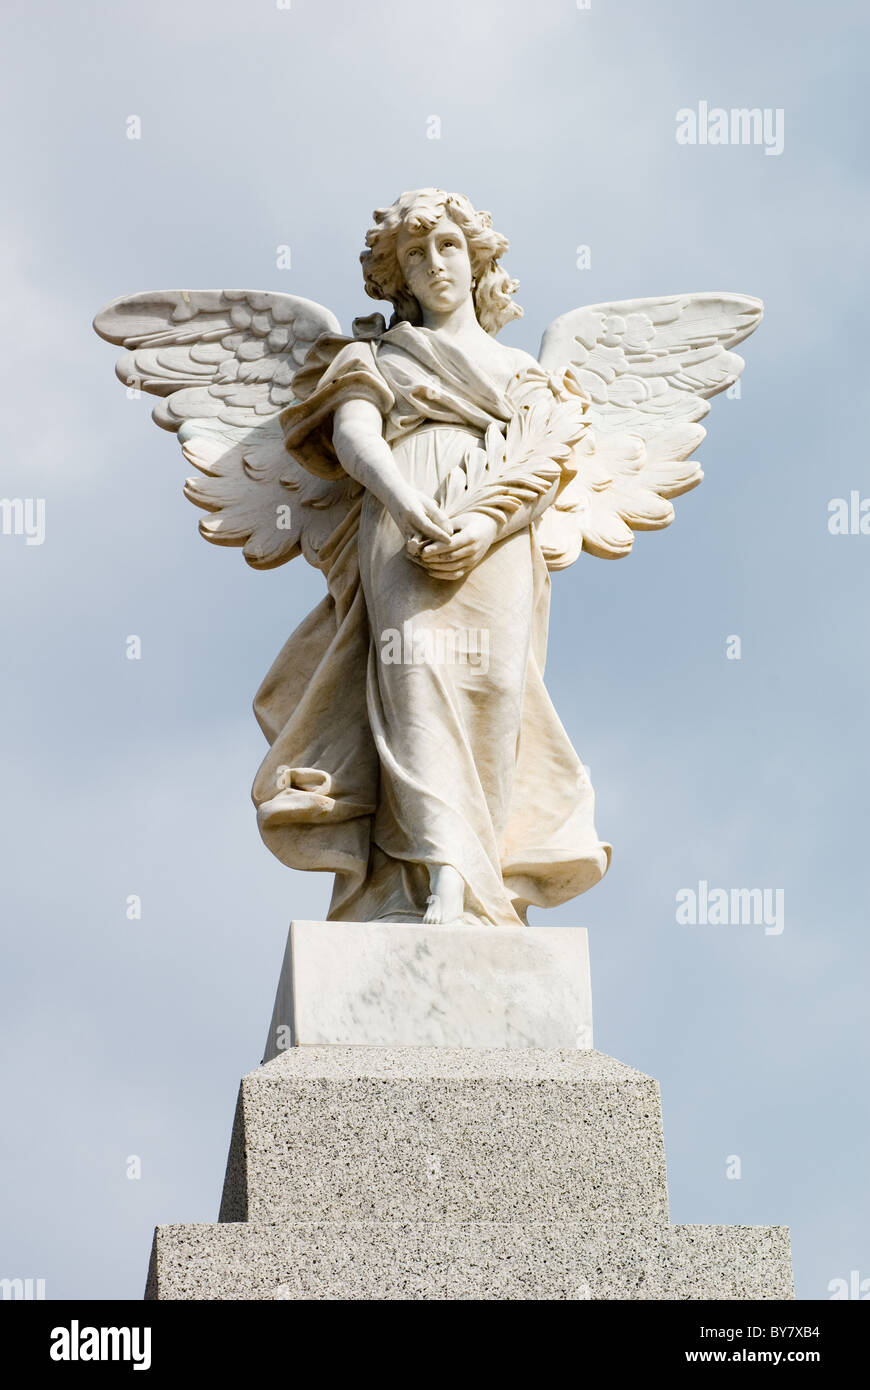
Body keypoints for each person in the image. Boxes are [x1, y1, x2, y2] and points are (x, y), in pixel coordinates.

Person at [252, 188, 610, 926]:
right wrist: (404, 501)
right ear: (398, 278)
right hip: (403, 523)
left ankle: (478, 874)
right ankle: (444, 873)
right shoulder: (377, 356)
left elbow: (546, 465)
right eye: (415, 255)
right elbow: (354, 437)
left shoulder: (523, 372)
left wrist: (485, 527)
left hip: (499, 538)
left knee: (492, 689)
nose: (435, 264)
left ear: (477, 259)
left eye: (448, 246)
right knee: (412, 679)